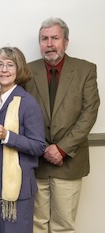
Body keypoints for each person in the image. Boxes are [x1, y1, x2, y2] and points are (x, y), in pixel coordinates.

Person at [24, 17, 100, 233]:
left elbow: (89, 112)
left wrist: (62, 148)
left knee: (63, 226)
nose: (49, 44)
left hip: (69, 162)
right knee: (36, 224)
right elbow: (18, 109)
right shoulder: (26, 72)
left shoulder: (85, 70)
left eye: (55, 38)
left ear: (66, 42)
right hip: (36, 162)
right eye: (44, 38)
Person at [0, 47, 45, 233]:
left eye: (10, 65)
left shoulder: (28, 103)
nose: (4, 70)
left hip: (17, 192)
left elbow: (39, 146)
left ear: (18, 69)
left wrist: (8, 136)